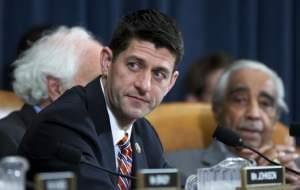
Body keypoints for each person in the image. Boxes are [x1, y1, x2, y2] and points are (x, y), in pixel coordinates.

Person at [18, 9, 184, 189]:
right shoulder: (64, 123)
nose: (144, 85)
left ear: (171, 83)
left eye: (159, 74)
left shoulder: (144, 133)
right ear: (106, 62)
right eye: (134, 65)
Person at [166, 60, 300, 184]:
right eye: (240, 100)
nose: (253, 114)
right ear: (218, 108)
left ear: (276, 117)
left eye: (265, 103)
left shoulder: (296, 170)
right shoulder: (175, 167)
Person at [0, 26, 103, 158]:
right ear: (56, 88)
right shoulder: (8, 138)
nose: (105, 93)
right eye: (96, 83)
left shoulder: (99, 138)